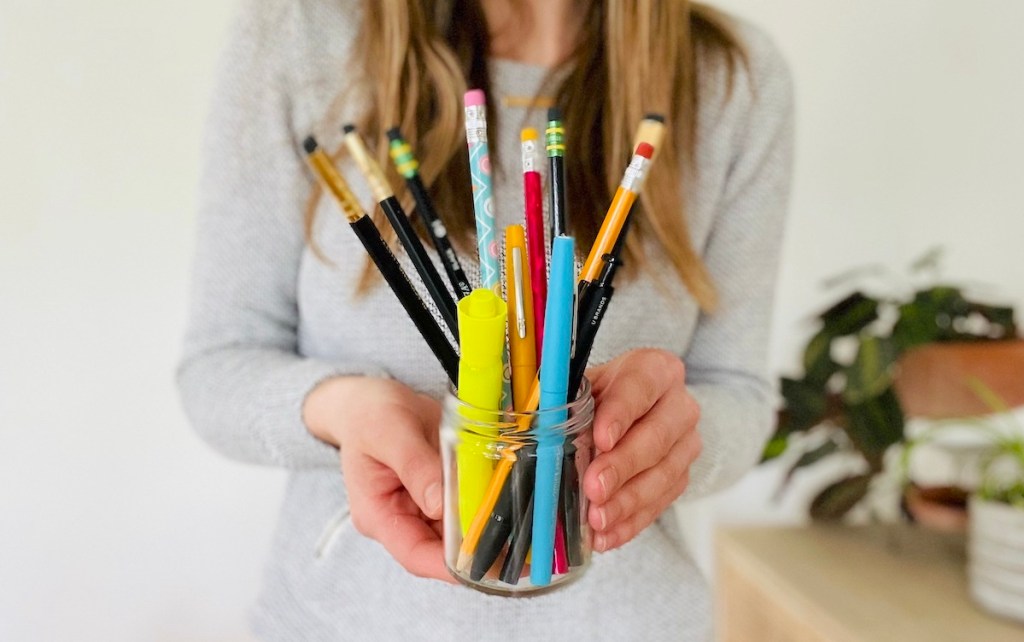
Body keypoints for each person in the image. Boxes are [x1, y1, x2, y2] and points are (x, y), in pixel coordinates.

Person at [178, 0, 793, 638]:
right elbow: (217, 366)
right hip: (342, 620)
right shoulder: (301, 32)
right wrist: (343, 407)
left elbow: (739, 396)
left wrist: (671, 442)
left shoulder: (732, 78)